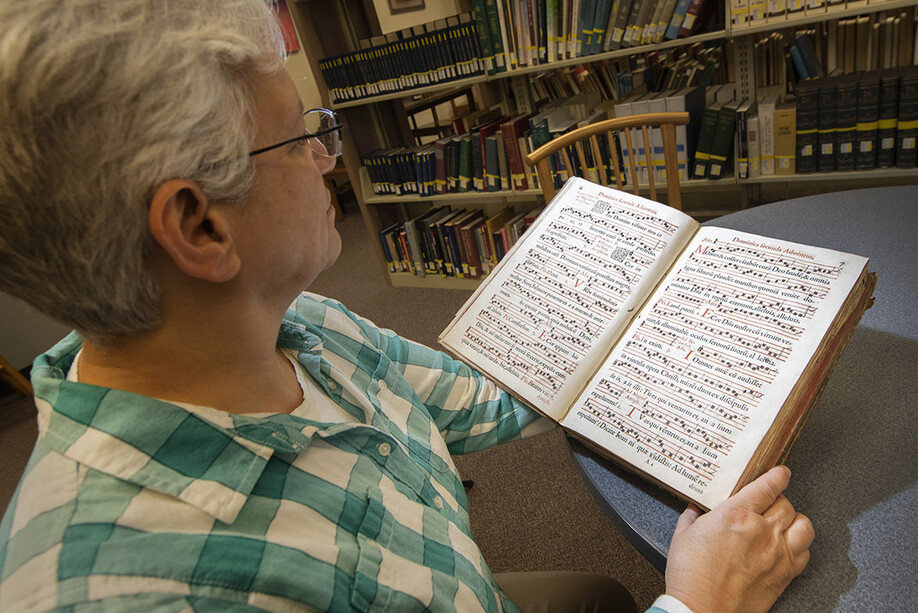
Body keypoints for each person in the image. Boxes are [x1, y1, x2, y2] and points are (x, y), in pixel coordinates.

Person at [0, 0, 813, 611]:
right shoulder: (131, 590)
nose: (328, 158)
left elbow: (495, 394)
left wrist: (654, 310)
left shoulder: (300, 329)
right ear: (199, 225)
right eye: (301, 134)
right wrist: (696, 604)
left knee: (597, 595)